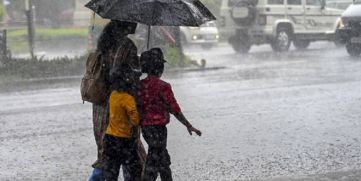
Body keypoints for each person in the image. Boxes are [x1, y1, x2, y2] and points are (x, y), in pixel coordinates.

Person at [88, 20, 146, 181]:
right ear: (125, 24)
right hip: (122, 105)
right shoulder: (127, 46)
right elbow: (129, 75)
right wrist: (141, 66)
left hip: (102, 106)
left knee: (106, 152)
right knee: (132, 151)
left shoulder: (104, 44)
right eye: (133, 20)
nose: (136, 23)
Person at [139, 48, 202, 181]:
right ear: (160, 68)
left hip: (145, 129)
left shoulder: (139, 85)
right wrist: (188, 125)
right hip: (159, 130)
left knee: (160, 157)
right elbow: (175, 109)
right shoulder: (163, 86)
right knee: (155, 158)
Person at [102, 64, 142, 181]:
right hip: (124, 140)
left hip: (110, 138)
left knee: (112, 171)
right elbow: (135, 120)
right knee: (135, 170)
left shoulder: (113, 95)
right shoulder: (128, 99)